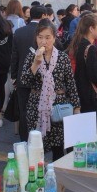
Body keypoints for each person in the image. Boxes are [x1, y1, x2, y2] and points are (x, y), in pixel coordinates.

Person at [20, 19, 81, 161]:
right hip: (37, 106)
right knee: (36, 148)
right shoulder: (31, 56)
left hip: (59, 106)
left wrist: (76, 108)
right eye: (40, 37)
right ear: (36, 38)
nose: (43, 41)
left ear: (54, 38)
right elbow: (24, 81)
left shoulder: (63, 58)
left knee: (58, 147)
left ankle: (58, 178)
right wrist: (36, 63)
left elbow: (71, 84)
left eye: (47, 37)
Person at [10, 6, 48, 141]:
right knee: (42, 110)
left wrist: (14, 76)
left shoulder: (19, 32)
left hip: (22, 77)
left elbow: (14, 56)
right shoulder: (46, 33)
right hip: (42, 79)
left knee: (24, 111)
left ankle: (25, 140)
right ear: (43, 15)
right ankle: (42, 139)